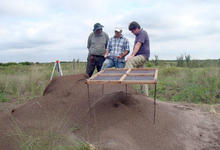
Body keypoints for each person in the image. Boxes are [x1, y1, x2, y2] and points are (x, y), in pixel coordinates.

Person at [126, 21, 150, 95]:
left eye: (132, 31)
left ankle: (127, 81)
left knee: (129, 62)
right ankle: (145, 95)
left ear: (137, 28)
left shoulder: (142, 33)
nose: (132, 32)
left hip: (143, 56)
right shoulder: (138, 35)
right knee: (142, 76)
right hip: (140, 55)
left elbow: (138, 44)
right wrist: (133, 55)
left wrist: (132, 55)